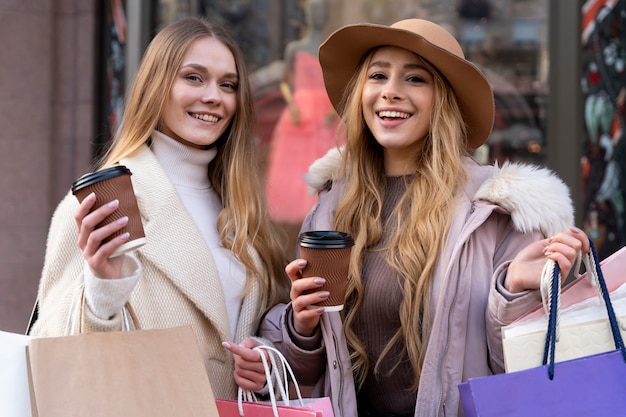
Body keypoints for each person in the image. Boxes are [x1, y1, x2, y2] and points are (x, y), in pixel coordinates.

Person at [225, 19, 591, 417]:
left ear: (444, 100)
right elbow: (316, 374)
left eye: (416, 79)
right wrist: (300, 329)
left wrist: (514, 292)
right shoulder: (332, 209)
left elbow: (526, 374)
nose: (390, 92)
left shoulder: (496, 212)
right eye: (378, 75)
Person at [29, 16, 290, 401]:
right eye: (194, 78)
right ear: (157, 86)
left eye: (228, 85)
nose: (214, 96)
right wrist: (102, 288)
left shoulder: (243, 209)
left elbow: (252, 328)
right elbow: (52, 350)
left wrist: (266, 363)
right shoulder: (104, 201)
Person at [264, 0, 343, 225]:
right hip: (301, 111)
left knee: (330, 161)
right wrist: (292, 105)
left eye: (322, 12)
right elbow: (285, 83)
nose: (318, 16)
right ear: (307, 15)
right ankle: (300, 219)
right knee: (296, 164)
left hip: (328, 112)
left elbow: (340, 82)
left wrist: (335, 109)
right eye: (314, 11)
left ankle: (327, 211)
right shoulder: (295, 48)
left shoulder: (333, 49)